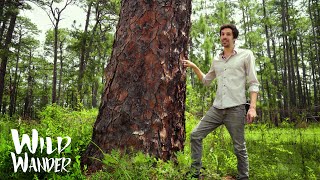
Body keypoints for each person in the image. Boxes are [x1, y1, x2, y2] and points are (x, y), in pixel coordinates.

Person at [182, 24, 259, 180]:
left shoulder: (246, 55)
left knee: (239, 147)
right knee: (196, 135)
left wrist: (252, 108)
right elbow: (206, 81)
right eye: (222, 34)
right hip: (217, 109)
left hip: (236, 109)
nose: (224, 37)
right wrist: (195, 67)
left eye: (228, 34)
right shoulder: (217, 60)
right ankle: (195, 173)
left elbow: (253, 82)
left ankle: (243, 177)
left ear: (234, 37)